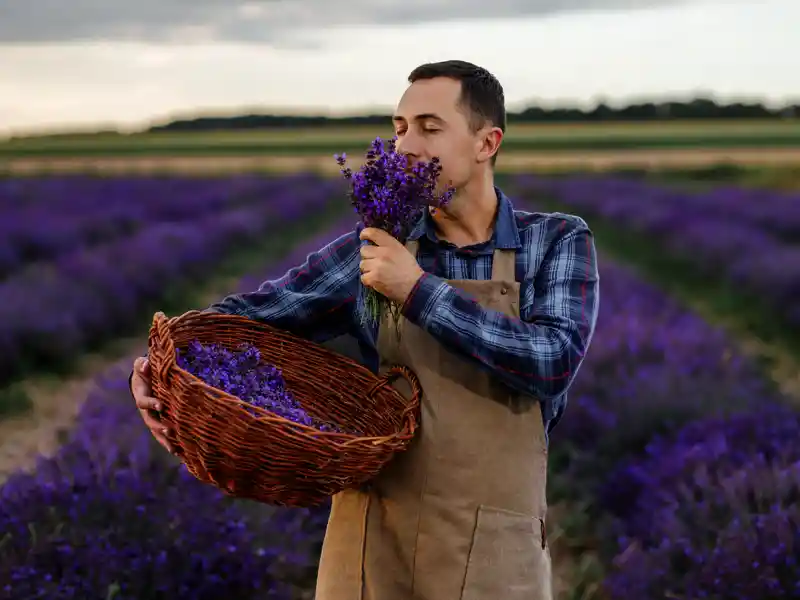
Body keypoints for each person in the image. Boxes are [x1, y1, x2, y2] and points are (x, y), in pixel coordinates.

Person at [130, 59, 599, 600]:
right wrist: (156, 370)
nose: (404, 147)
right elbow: (243, 320)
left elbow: (553, 360)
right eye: (399, 129)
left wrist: (416, 289)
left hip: (493, 552)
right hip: (372, 548)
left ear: (486, 142)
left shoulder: (555, 241)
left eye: (430, 127)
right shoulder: (375, 249)